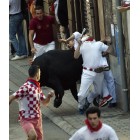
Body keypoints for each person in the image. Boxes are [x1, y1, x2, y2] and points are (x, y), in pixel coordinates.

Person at [9, 65, 54, 140]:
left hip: (37, 119)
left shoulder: (37, 88)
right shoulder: (26, 87)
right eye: (40, 73)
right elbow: (11, 97)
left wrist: (49, 96)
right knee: (33, 136)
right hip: (26, 119)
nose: (40, 74)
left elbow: (45, 102)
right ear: (37, 74)